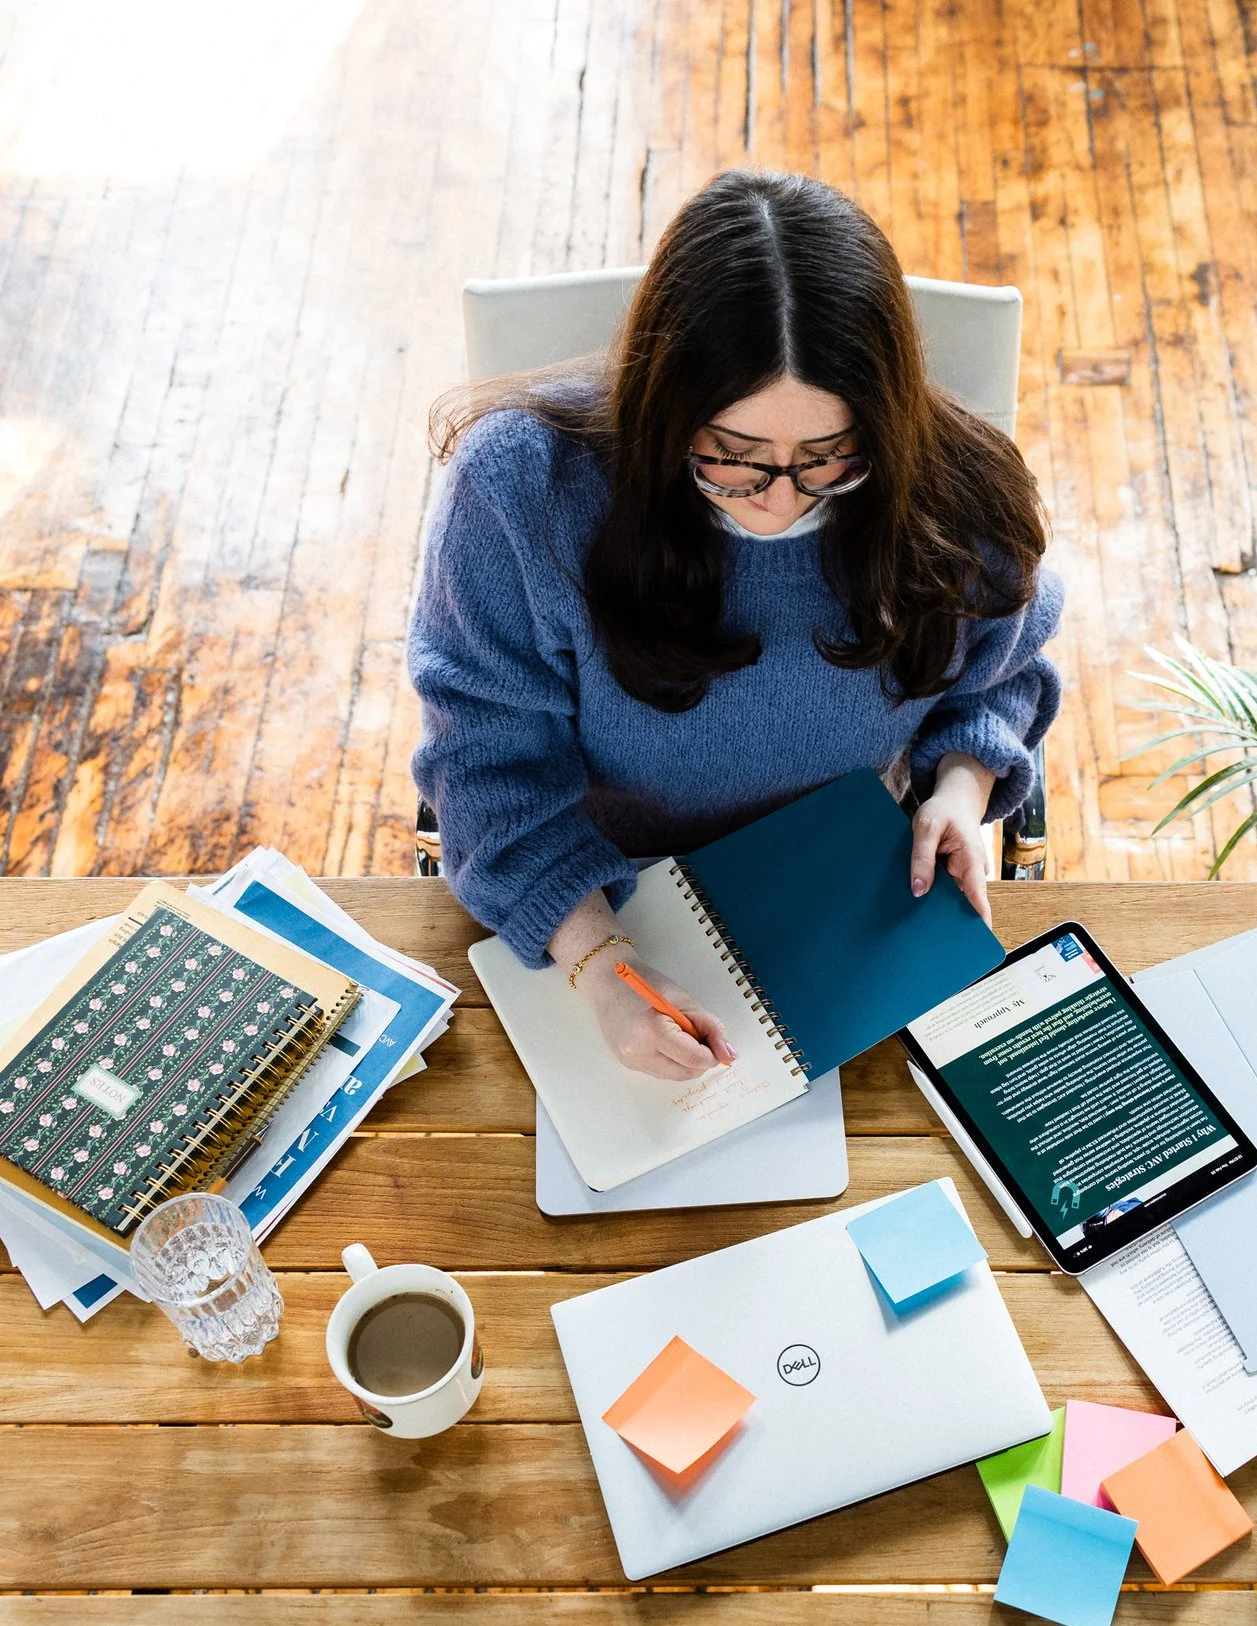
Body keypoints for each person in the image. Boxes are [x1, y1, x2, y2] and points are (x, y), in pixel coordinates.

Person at [411, 169, 1063, 1082]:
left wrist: (959, 782)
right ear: (661, 412)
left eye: (832, 458)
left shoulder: (956, 489)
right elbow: (485, 762)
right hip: (606, 877)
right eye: (733, 460)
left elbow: (997, 673)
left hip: (853, 876)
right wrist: (598, 959)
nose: (780, 503)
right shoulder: (520, 492)